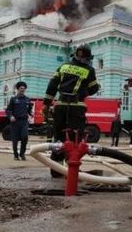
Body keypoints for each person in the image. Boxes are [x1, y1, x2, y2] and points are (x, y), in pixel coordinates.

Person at [43, 44, 100, 177]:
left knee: (59, 138)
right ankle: (72, 170)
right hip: (77, 107)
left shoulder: (63, 66)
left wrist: (46, 104)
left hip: (60, 106)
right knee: (75, 139)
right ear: (88, 57)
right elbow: (94, 88)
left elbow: (52, 85)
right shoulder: (89, 70)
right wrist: (86, 90)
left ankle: (56, 171)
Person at [6, 81, 33, 161]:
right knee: (15, 139)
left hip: (24, 121)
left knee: (25, 137)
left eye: (24, 88)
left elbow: (29, 110)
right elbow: (8, 110)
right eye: (21, 88)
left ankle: (22, 153)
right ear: (17, 89)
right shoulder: (13, 99)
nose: (22, 90)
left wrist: (31, 114)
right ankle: (16, 155)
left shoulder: (27, 99)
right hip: (15, 122)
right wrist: (10, 116)